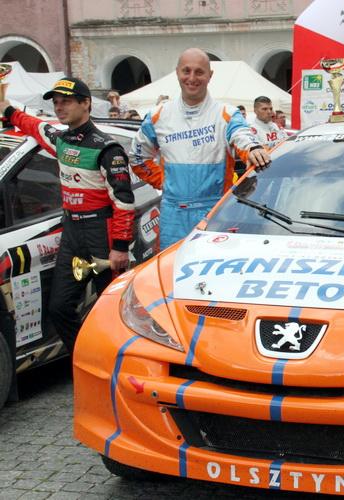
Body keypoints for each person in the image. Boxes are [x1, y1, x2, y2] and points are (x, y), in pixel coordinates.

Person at [0, 77, 135, 354]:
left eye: (67, 102)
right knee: (60, 307)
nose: (60, 107)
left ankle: (119, 364)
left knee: (112, 309)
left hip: (101, 233)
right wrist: (8, 109)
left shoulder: (107, 148)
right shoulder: (61, 140)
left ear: (86, 104)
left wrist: (120, 246)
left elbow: (123, 201)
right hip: (72, 234)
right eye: (56, 103)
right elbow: (34, 126)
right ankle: (87, 360)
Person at [130, 48, 269, 250]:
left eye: (199, 72)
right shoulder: (158, 115)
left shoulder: (226, 113)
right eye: (186, 71)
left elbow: (241, 135)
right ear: (177, 72)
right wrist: (164, 182)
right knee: (171, 267)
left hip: (215, 212)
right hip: (173, 215)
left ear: (210, 75)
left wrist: (253, 148)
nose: (192, 78)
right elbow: (137, 157)